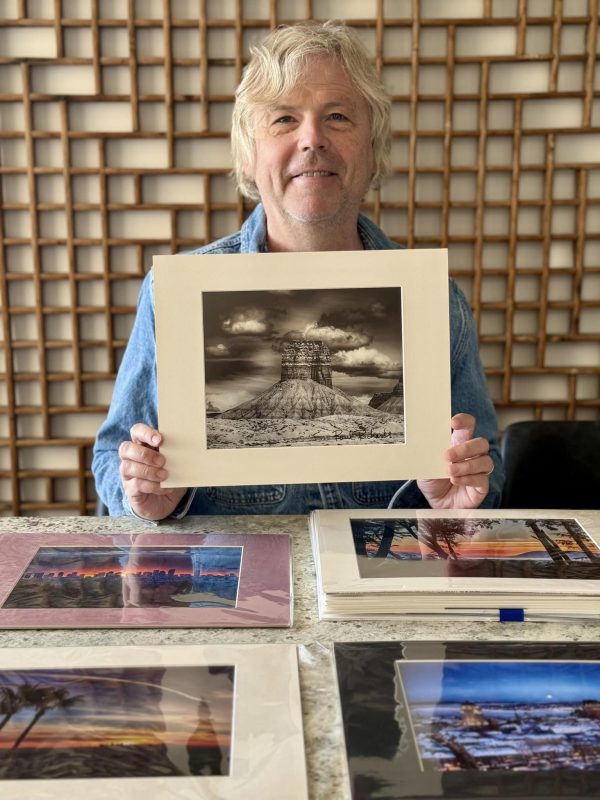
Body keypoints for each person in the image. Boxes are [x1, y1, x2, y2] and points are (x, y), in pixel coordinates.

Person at [92, 20, 504, 521]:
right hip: (228, 591)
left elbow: (490, 475)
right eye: (284, 119)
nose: (313, 139)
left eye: (337, 117)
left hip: (374, 588)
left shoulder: (433, 300)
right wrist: (144, 499)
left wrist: (452, 500)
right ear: (249, 158)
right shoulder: (174, 294)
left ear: (372, 154)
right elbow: (112, 459)